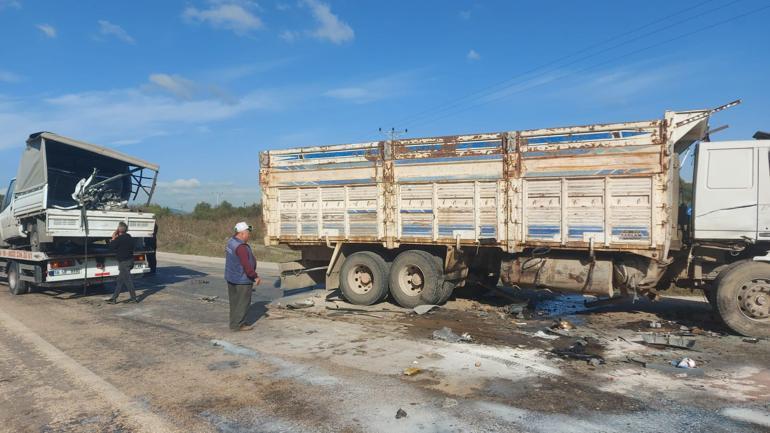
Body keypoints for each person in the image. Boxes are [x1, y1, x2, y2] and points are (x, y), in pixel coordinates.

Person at [225, 222, 261, 331]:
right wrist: (255, 276)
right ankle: (239, 325)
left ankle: (233, 324)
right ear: (241, 233)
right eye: (247, 233)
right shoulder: (241, 247)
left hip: (232, 277)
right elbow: (246, 264)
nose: (249, 235)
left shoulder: (231, 242)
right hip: (242, 279)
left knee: (234, 303)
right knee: (243, 303)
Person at [107, 222, 138, 304]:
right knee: (120, 281)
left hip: (124, 263)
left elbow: (110, 248)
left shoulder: (119, 239)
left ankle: (134, 298)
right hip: (130, 261)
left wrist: (113, 238)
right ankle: (113, 298)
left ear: (119, 230)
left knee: (128, 281)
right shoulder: (129, 237)